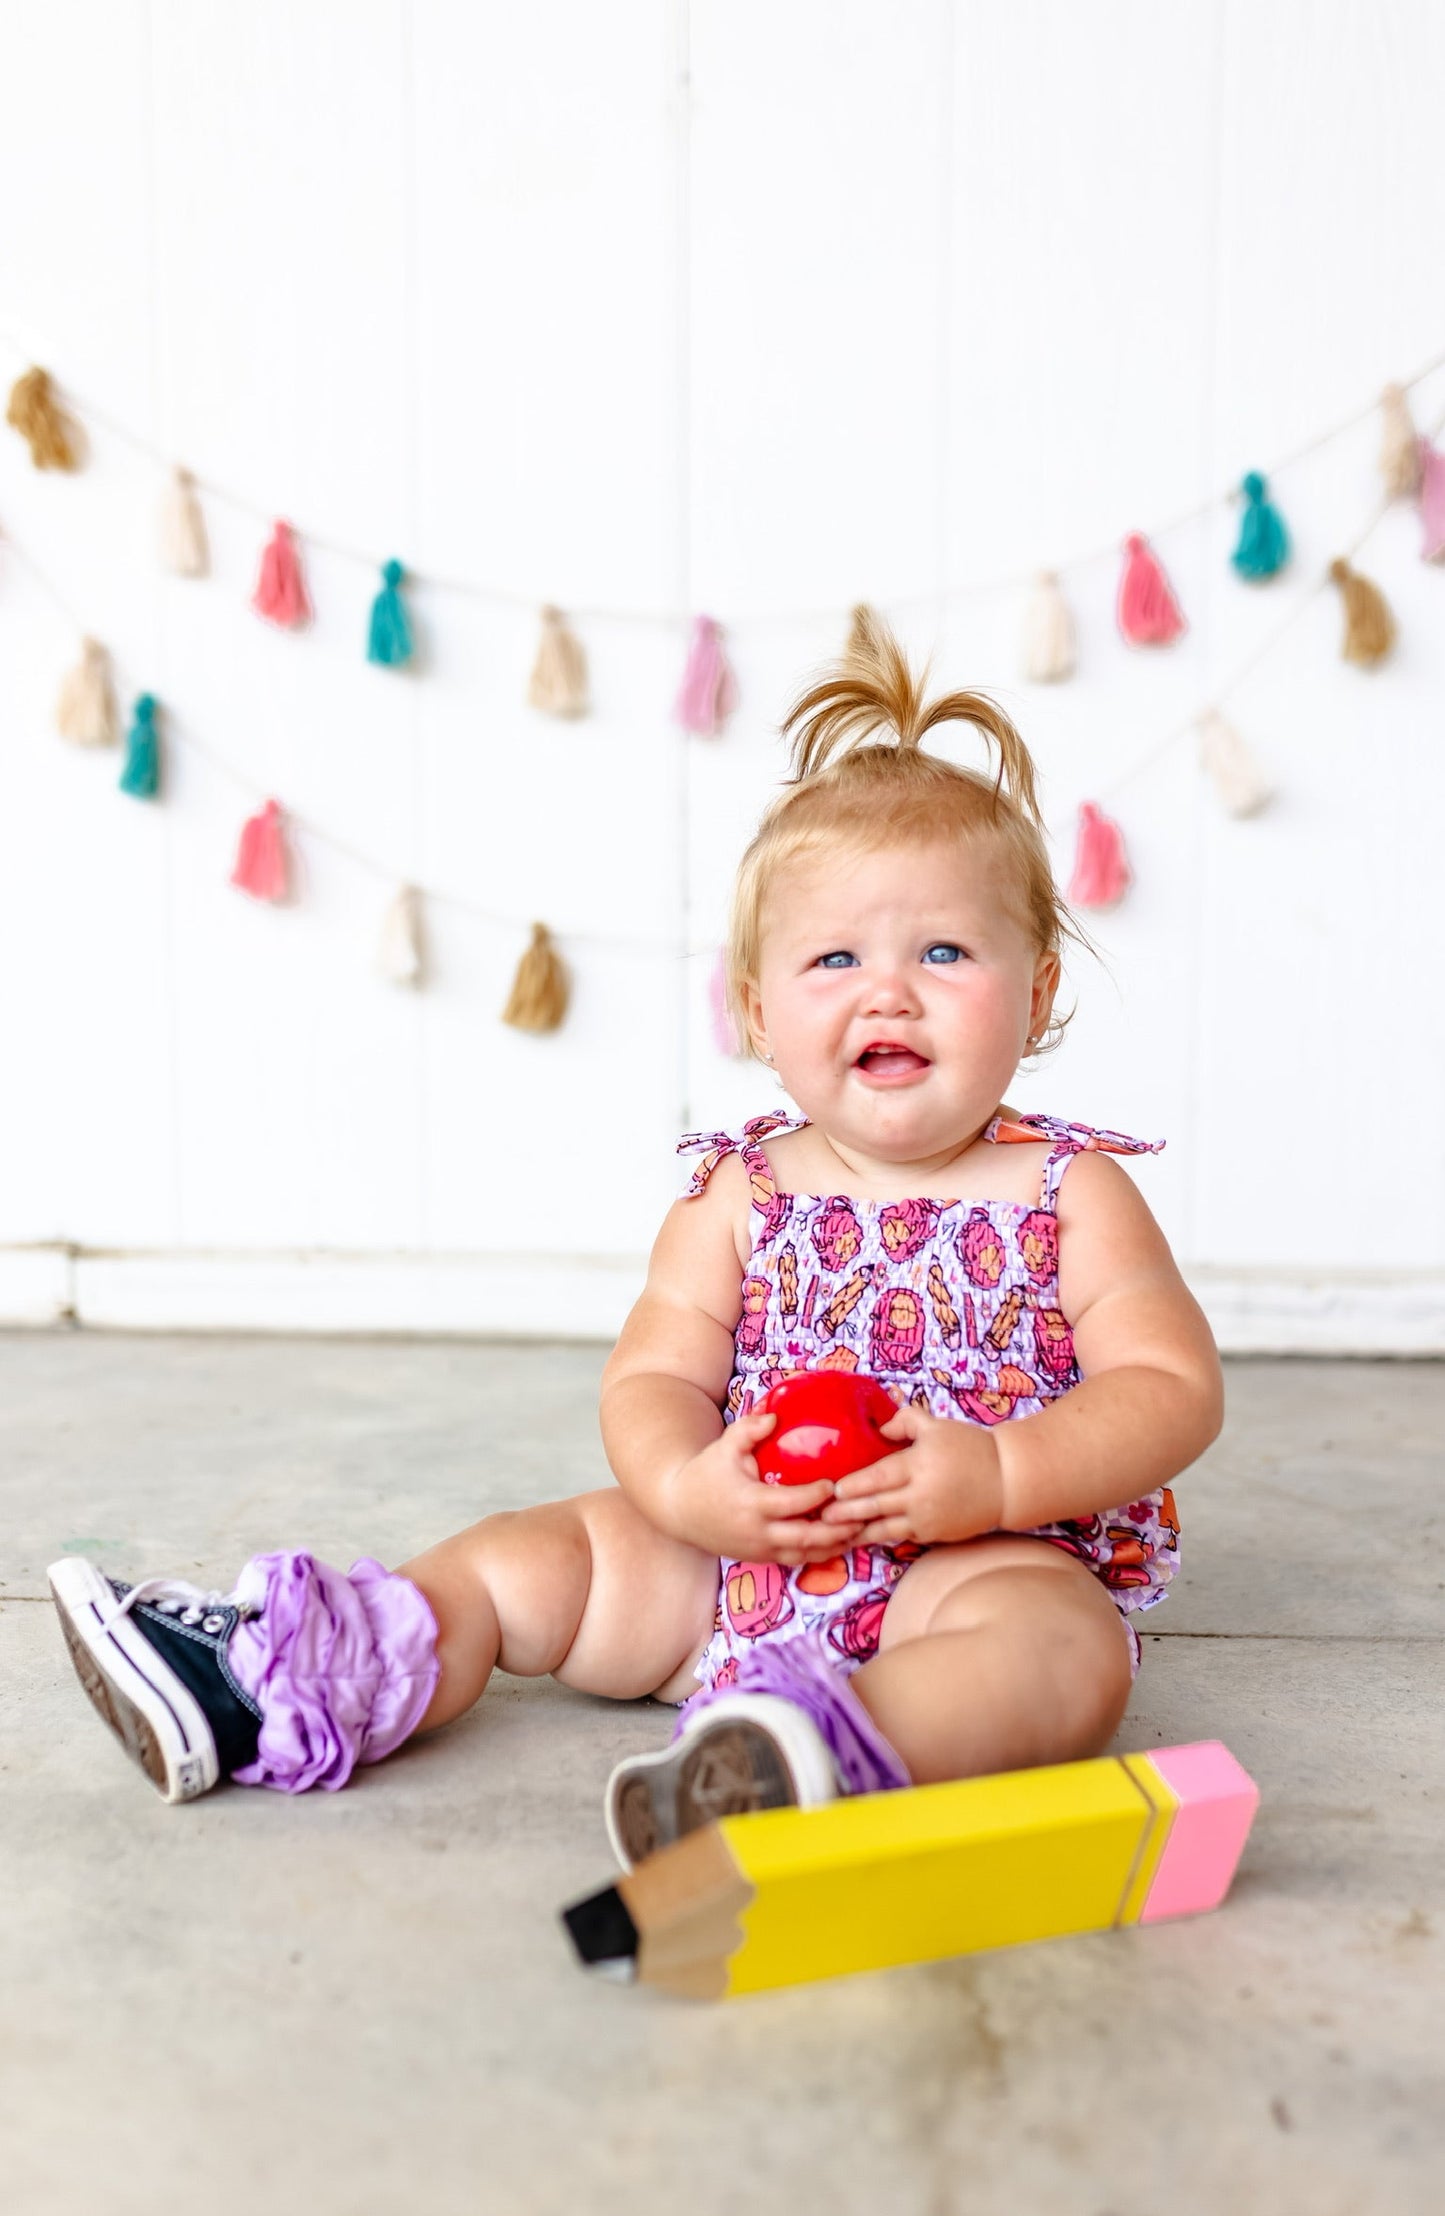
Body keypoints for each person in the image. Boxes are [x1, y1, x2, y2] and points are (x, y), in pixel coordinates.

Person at [47, 621, 1222, 1868]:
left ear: (1035, 992)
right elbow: (655, 1377)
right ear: (759, 1009)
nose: (888, 991)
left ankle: (822, 1755)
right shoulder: (733, 1192)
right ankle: (294, 1673)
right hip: (732, 1561)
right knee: (525, 1557)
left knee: (1062, 1651)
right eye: (835, 957)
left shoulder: (1068, 1191)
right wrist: (682, 1490)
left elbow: (1168, 1390)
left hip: (972, 1561)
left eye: (943, 951)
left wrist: (993, 1475)